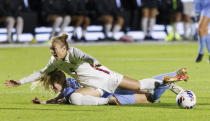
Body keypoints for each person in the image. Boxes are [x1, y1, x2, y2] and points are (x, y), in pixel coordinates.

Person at [5, 33, 188, 97]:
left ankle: (168, 81)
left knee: (140, 87)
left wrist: (94, 62)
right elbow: (40, 72)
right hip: (95, 86)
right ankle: (167, 82)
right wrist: (20, 82)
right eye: (51, 49)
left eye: (54, 49)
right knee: (140, 90)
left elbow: (86, 56)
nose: (51, 52)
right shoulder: (54, 61)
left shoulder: (73, 52)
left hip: (106, 77)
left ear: (63, 48)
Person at [31, 70, 185, 105]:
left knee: (151, 99)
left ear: (59, 81)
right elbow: (59, 97)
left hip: (112, 96)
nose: (51, 87)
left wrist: (49, 102)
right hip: (112, 87)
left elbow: (62, 97)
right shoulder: (70, 82)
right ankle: (171, 76)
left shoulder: (69, 91)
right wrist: (45, 102)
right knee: (145, 89)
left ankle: (166, 82)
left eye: (52, 84)